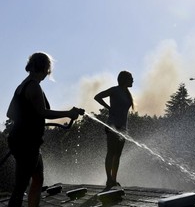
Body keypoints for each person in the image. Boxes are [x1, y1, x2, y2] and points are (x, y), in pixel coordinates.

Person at [6, 52, 84, 207]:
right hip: (26, 142)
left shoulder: (23, 85)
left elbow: (10, 113)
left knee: (38, 179)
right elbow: (43, 112)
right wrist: (68, 113)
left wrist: (27, 118)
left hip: (25, 140)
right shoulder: (33, 86)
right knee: (21, 186)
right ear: (45, 68)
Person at [94, 70, 134, 191]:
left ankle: (114, 179)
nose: (133, 80)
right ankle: (109, 180)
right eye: (131, 78)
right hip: (112, 126)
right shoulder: (115, 90)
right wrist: (108, 108)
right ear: (124, 79)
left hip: (123, 128)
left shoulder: (127, 93)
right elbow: (97, 97)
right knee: (111, 153)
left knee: (118, 155)